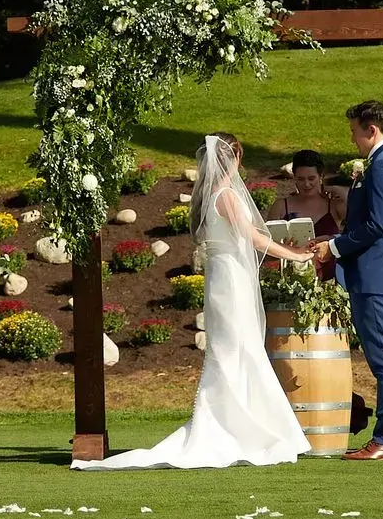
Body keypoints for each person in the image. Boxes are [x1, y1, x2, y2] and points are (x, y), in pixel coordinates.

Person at [78, 134, 313, 470]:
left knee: (236, 349)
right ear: (235, 159)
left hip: (223, 275)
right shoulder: (228, 196)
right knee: (239, 349)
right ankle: (244, 432)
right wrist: (294, 256)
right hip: (231, 279)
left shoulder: (210, 195)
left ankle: (244, 428)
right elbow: (252, 237)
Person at [312, 100, 383, 460]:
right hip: (371, 273)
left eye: (355, 132)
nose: (352, 139)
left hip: (375, 275)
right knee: (381, 356)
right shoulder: (379, 164)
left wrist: (335, 248)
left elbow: (378, 225)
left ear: (372, 130)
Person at [269, 150, 345, 282]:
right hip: (292, 281)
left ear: (320, 176)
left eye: (311, 178)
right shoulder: (281, 206)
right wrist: (283, 247)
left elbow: (355, 234)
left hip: (331, 280)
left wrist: (342, 194)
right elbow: (267, 248)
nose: (306, 184)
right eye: (300, 179)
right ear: (294, 178)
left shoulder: (334, 204)